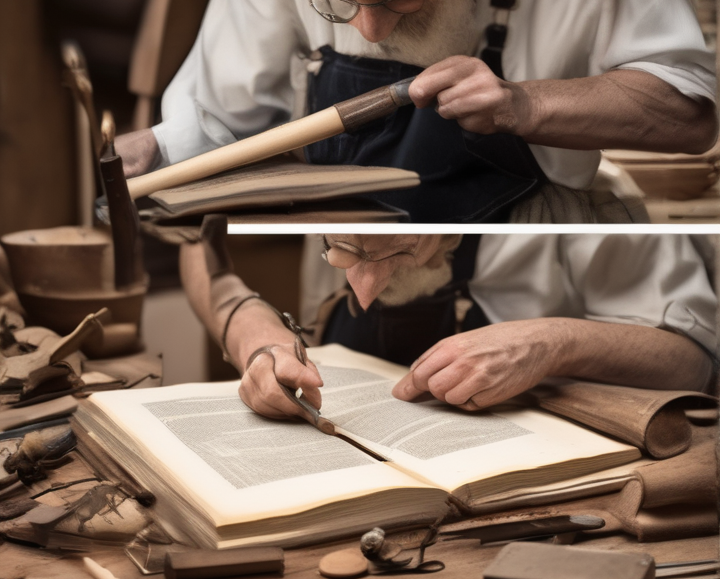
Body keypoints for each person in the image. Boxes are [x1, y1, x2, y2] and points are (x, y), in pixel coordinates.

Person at [116, 0, 717, 225]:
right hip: (350, 247)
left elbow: (688, 113)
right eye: (340, 3)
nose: (371, 30)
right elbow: (227, 115)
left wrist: (524, 104)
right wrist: (164, 150)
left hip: (526, 238)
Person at [179, 229, 716, 422]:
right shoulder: (334, 179)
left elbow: (694, 361)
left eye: (399, 253)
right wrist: (257, 337)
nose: (361, 294)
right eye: (342, 252)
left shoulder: (586, 214)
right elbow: (192, 240)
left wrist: (553, 342)